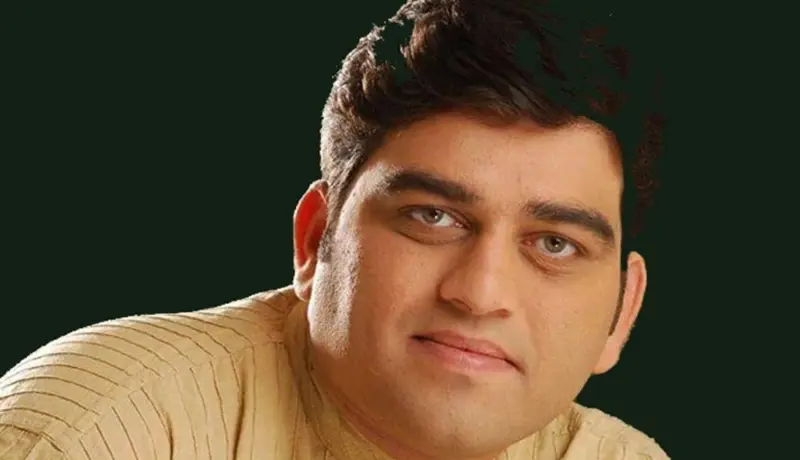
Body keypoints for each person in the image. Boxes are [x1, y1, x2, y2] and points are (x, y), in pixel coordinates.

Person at [0, 0, 668, 459]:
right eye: (432, 216)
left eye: (554, 244)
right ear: (314, 240)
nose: (480, 292)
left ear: (622, 312)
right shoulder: (95, 432)